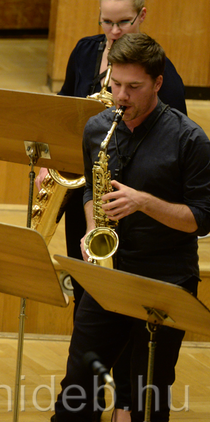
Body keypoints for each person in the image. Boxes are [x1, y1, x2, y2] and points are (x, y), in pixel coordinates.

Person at [38, 0, 187, 421]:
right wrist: (52, 157)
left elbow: (169, 157)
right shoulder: (85, 51)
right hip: (89, 199)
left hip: (136, 217)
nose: (114, 31)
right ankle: (89, 403)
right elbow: (65, 111)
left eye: (124, 22)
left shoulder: (163, 77)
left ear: (142, 16)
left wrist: (137, 200)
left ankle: (126, 401)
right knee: (91, 309)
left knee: (132, 327)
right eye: (107, 21)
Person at [51, 33, 210, 422]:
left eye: (133, 87)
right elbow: (90, 188)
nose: (121, 96)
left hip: (163, 280)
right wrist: (93, 228)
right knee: (77, 389)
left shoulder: (189, 139)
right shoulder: (97, 128)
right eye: (115, 85)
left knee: (146, 395)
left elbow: (202, 219)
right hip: (109, 275)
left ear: (157, 83)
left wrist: (144, 202)